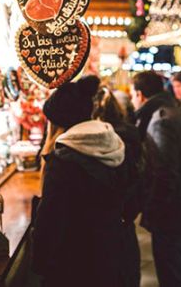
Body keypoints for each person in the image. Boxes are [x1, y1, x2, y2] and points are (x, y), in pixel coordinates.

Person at [32, 76, 130, 287]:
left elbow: (50, 222)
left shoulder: (63, 160)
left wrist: (38, 264)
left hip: (74, 265)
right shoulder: (112, 144)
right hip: (110, 255)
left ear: (57, 123)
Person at [142, 74, 181, 287]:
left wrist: (152, 208)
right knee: (175, 268)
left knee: (170, 273)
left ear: (140, 94)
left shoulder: (161, 121)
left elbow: (165, 172)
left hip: (171, 210)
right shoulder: (179, 115)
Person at [93, 86, 144, 287]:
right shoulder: (131, 134)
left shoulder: (95, 142)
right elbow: (138, 177)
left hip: (104, 225)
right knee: (128, 273)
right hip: (125, 221)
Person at [130, 71, 174, 139]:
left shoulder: (159, 122)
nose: (131, 101)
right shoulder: (171, 110)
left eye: (132, 96)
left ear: (139, 95)